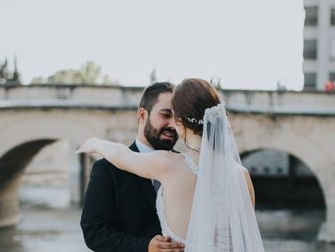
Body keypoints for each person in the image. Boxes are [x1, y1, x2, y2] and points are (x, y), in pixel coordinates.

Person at [77, 78, 265, 251]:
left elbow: (119, 154)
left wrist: (94, 143)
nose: (171, 124)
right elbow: (246, 238)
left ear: (181, 121)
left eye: (173, 116)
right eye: (164, 114)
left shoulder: (168, 164)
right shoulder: (241, 174)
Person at [80, 82, 185, 252]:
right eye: (166, 115)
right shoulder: (107, 169)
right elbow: (94, 232)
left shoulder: (187, 166)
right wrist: (145, 247)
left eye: (178, 118)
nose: (173, 125)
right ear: (142, 115)